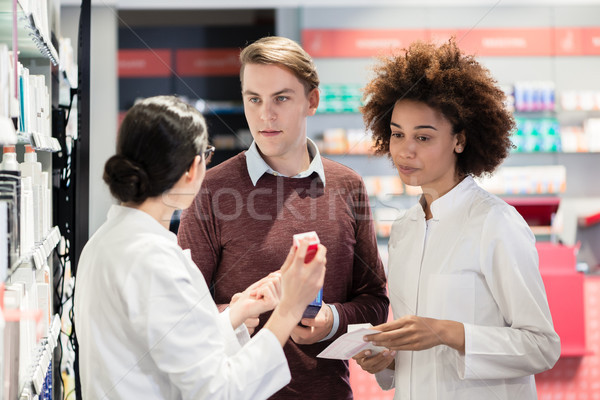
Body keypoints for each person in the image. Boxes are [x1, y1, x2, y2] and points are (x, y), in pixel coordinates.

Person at [73, 95, 328, 400]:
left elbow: (168, 347)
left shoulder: (105, 241)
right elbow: (219, 391)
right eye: (207, 155)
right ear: (192, 169)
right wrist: (289, 311)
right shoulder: (155, 260)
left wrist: (236, 314)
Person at [177, 36, 389, 399]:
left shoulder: (347, 186)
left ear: (312, 101)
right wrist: (239, 310)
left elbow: (374, 300)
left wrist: (331, 321)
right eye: (254, 99)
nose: (265, 115)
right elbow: (184, 314)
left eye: (281, 98)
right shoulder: (211, 190)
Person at [352, 39, 561, 399]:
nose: (405, 150)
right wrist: (388, 361)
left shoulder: (496, 223)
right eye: (398, 134)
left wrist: (449, 332)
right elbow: (419, 355)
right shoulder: (404, 230)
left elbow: (542, 346)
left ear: (460, 141)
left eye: (423, 136)